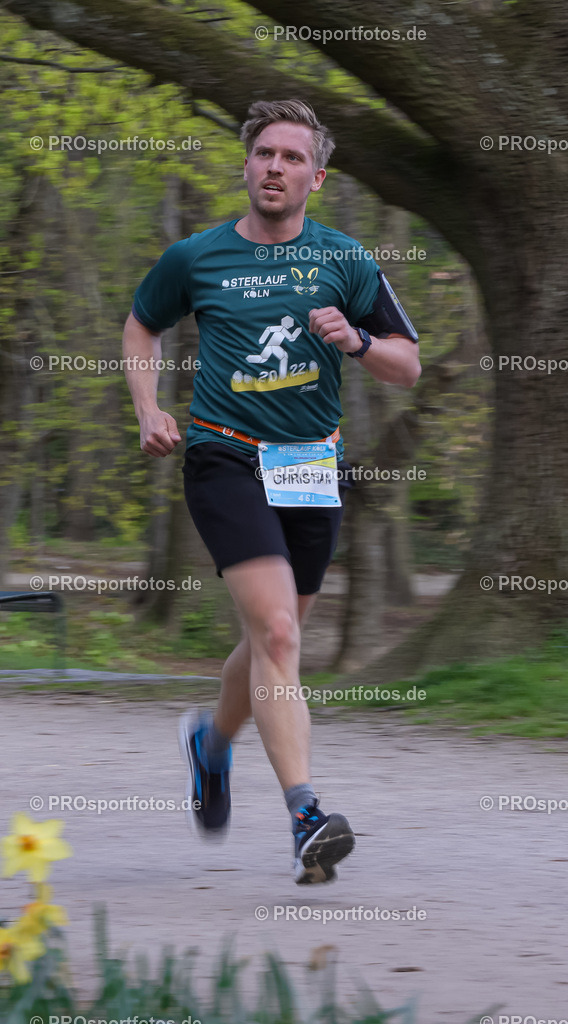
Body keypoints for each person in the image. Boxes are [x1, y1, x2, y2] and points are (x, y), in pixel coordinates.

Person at [122, 99, 421, 884]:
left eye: (292, 158)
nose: (275, 168)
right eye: (264, 154)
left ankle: (210, 742)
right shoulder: (197, 257)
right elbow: (140, 324)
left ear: (315, 178)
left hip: (310, 466)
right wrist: (150, 407)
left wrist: (355, 340)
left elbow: (405, 363)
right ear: (246, 166)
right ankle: (306, 816)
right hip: (224, 457)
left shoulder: (346, 260)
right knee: (281, 636)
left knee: (271, 643)